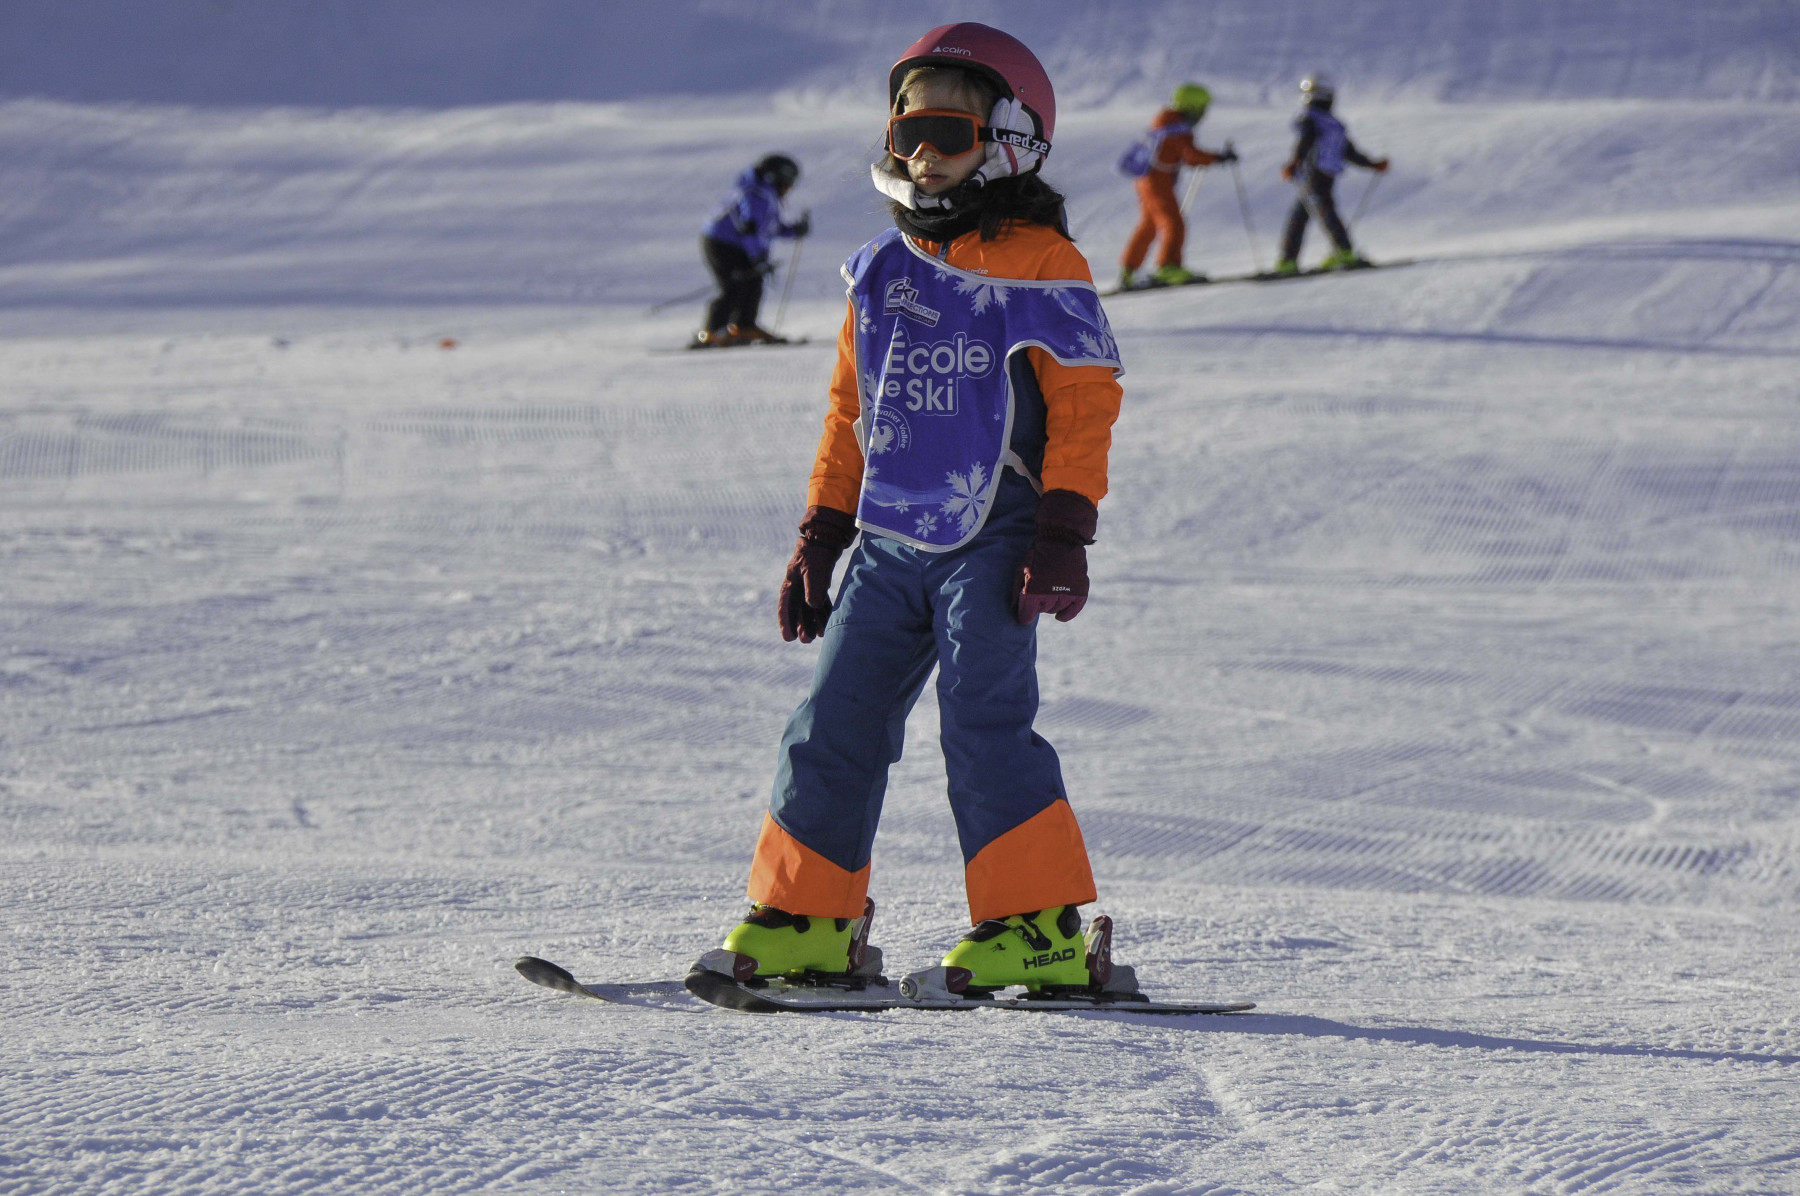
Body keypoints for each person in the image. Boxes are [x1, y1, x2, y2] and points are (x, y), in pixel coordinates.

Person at [712, 22, 1126, 994]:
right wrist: (822, 532)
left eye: (951, 133)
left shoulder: (1041, 262)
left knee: (984, 722)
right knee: (832, 721)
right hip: (888, 543)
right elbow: (851, 410)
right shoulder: (880, 268)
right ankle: (808, 916)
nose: (926, 155)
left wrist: (1065, 526)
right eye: (909, 134)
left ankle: (1037, 927)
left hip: (996, 536)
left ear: (1011, 139)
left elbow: (1083, 399)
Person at [1117, 82, 1237, 290]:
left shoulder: (1166, 123)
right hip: (1157, 181)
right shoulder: (1176, 129)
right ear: (1192, 107)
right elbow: (1191, 155)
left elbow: (1183, 156)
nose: (1203, 115)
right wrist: (1218, 158)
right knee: (1173, 223)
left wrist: (1209, 159)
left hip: (1147, 179)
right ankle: (1168, 267)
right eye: (1202, 109)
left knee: (1149, 226)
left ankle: (1127, 271)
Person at [1275, 74, 1389, 275]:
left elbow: (1306, 142)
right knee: (1310, 213)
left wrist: (1294, 163)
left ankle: (1341, 252)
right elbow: (1349, 152)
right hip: (1327, 174)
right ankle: (1292, 260)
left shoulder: (1310, 119)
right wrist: (1372, 164)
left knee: (1320, 214)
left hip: (1312, 174)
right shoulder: (1334, 124)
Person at [696, 154, 811, 347]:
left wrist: (793, 230)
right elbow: (750, 230)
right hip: (721, 244)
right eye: (787, 184)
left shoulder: (764, 194)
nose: (788, 189)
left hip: (735, 245)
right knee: (733, 285)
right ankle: (712, 331)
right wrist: (758, 258)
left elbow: (768, 228)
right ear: (775, 179)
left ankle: (744, 326)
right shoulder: (756, 196)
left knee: (753, 281)